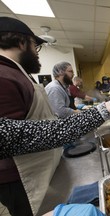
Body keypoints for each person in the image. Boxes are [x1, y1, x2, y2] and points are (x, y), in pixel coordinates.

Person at [0, 16, 62, 216]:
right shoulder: (4, 77)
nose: (36, 52)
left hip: (34, 171)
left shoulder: (16, 73)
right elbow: (14, 138)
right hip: (18, 179)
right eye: (35, 45)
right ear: (20, 42)